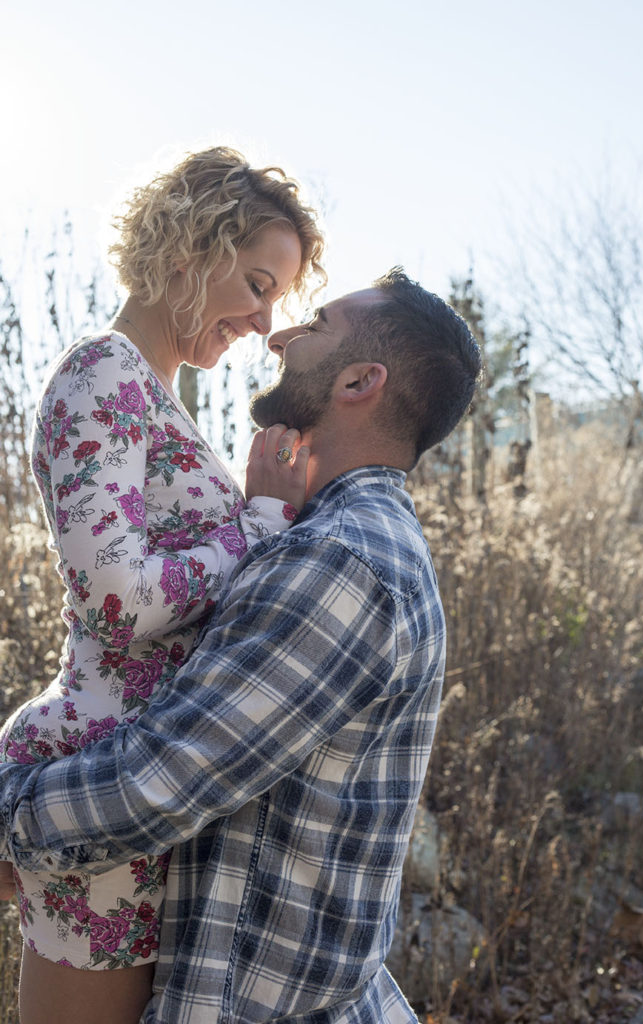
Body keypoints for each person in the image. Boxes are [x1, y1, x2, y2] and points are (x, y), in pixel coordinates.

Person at [0, 268, 482, 1024]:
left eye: (314, 322)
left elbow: (154, 783)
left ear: (359, 380)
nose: (279, 332)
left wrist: (9, 817)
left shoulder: (339, 563)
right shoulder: (324, 538)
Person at [0, 145, 325, 1024]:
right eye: (255, 284)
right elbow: (116, 599)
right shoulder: (102, 371)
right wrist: (257, 522)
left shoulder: (156, 395)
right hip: (97, 794)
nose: (262, 323)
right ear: (191, 245)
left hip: (154, 791)